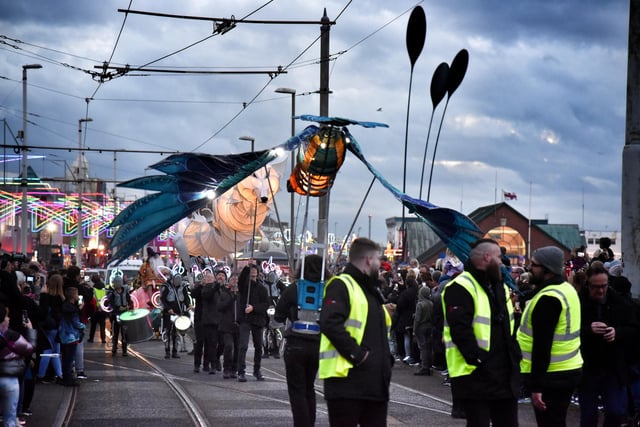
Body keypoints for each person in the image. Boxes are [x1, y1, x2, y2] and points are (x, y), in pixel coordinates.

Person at [441, 238, 521, 427]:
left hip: (503, 372)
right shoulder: (460, 286)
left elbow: (507, 327)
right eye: (499, 257)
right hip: (475, 374)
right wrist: (478, 359)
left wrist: (514, 357)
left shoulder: (498, 286)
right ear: (487, 257)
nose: (502, 262)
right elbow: (460, 330)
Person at [318, 238, 393, 427]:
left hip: (373, 385)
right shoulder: (342, 285)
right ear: (368, 260)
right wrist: (358, 355)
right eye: (377, 259)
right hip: (347, 383)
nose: (380, 264)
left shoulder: (370, 291)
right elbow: (330, 322)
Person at [516, 246, 583, 427]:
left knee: (550, 423)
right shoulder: (566, 290)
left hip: (551, 374)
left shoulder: (548, 298)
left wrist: (537, 386)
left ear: (547, 269)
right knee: (557, 420)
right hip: (569, 368)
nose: (530, 268)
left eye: (534, 265)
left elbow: (542, 346)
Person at [579, 262, 640, 426]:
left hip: (612, 366)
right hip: (587, 367)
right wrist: (587, 330)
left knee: (615, 412)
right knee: (588, 415)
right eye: (595, 287)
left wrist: (617, 333)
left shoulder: (620, 303)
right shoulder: (578, 303)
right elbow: (567, 330)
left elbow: (634, 328)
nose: (600, 290)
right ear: (588, 285)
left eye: (603, 286)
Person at [274, 254, 331, 427]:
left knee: (297, 390)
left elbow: (278, 315)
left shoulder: (294, 288)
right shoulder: (327, 290)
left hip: (296, 344)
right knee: (309, 388)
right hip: (317, 345)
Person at [0, 301, 36, 427]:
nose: (8, 319)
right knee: (10, 418)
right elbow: (29, 348)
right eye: (6, 316)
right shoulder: (11, 336)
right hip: (9, 377)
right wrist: (30, 330)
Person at [236, 264, 269, 382]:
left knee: (258, 346)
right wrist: (246, 267)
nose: (253, 271)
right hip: (245, 319)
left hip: (257, 320)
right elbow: (240, 281)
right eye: (251, 270)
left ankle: (257, 370)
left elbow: (266, 304)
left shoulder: (262, 288)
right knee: (243, 345)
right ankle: (241, 371)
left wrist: (254, 308)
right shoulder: (245, 286)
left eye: (255, 269)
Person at [36, 274, 64, 383]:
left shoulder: (46, 297)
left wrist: (42, 294)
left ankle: (42, 374)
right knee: (54, 352)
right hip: (58, 327)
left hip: (47, 326)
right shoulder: (61, 298)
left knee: (49, 351)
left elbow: (42, 311)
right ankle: (58, 375)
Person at [58, 287, 85, 387]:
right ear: (73, 297)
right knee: (69, 359)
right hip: (72, 336)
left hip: (64, 335)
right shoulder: (73, 309)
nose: (78, 296)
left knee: (65, 358)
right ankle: (68, 379)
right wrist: (83, 326)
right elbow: (76, 323)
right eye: (77, 294)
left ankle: (66, 377)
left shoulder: (65, 306)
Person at [160, 273, 191, 359]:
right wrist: (168, 309)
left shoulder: (183, 286)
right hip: (168, 313)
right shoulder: (166, 286)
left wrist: (188, 305)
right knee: (167, 331)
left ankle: (175, 351)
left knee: (176, 333)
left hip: (179, 312)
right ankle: (167, 351)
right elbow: (163, 299)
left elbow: (186, 298)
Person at [200, 269, 223, 375]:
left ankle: (216, 358)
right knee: (211, 344)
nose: (209, 279)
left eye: (211, 277)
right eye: (207, 277)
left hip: (221, 320)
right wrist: (214, 287)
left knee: (222, 343)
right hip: (210, 320)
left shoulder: (222, 288)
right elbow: (207, 295)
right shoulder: (206, 288)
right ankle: (212, 364)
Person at [218, 273, 240, 379]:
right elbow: (220, 306)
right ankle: (226, 368)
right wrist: (232, 299)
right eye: (232, 279)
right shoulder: (224, 293)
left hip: (238, 325)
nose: (234, 281)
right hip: (226, 325)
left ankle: (234, 369)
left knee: (238, 348)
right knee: (228, 346)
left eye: (236, 280)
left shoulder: (242, 293)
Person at [107, 276, 132, 356]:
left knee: (125, 332)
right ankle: (114, 348)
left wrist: (129, 306)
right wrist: (117, 308)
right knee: (116, 332)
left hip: (124, 313)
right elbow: (111, 303)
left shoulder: (125, 291)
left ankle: (124, 349)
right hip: (116, 314)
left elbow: (129, 300)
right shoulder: (112, 293)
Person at [413, 285, 434, 376]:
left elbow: (417, 319)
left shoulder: (420, 304)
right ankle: (429, 365)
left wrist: (414, 329)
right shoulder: (431, 303)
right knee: (428, 346)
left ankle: (424, 367)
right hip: (429, 325)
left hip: (421, 327)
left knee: (423, 347)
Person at [88, 273, 107, 344]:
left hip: (95, 309)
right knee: (102, 325)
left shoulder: (93, 289)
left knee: (93, 325)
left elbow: (91, 298)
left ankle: (91, 338)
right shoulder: (104, 288)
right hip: (102, 308)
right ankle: (103, 339)